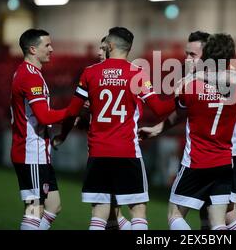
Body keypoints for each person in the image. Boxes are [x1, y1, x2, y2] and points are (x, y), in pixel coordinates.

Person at [54, 27, 175, 230]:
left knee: (99, 215)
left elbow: (72, 112)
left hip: (98, 152)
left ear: (109, 46)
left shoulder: (90, 72)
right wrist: (183, 95)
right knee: (137, 211)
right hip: (126, 152)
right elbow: (160, 109)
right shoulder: (137, 74)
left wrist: (62, 135)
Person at [139, 31, 236, 230]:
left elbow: (165, 108)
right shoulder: (230, 82)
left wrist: (144, 85)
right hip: (222, 157)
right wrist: (158, 129)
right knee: (213, 218)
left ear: (207, 55)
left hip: (224, 154)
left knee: (226, 214)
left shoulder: (196, 83)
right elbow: (182, 113)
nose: (186, 59)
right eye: (186, 54)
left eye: (192, 55)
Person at [68, 36, 131, 230]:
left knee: (105, 210)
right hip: (118, 150)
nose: (98, 52)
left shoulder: (94, 76)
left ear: (111, 50)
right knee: (113, 214)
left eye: (103, 48)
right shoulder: (122, 75)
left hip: (105, 150)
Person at [10, 29, 67, 230]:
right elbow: (43, 117)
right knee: (35, 209)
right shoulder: (30, 76)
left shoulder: (30, 73)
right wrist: (72, 111)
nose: (51, 49)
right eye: (47, 45)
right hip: (30, 152)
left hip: (39, 153)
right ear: (33, 49)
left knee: (54, 206)